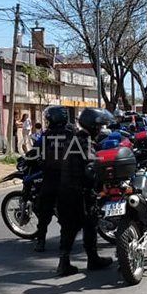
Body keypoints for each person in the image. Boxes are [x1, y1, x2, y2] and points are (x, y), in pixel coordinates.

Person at [53, 107, 115, 276]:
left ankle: (63, 263)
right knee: (90, 224)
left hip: (65, 190)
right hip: (81, 193)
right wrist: (103, 174)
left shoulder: (73, 139)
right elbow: (90, 166)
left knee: (68, 228)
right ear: (94, 126)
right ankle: (93, 259)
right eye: (100, 126)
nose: (101, 130)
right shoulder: (85, 142)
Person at [32, 106, 71, 253]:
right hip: (69, 179)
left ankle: (41, 241)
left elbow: (35, 150)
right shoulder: (71, 132)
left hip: (51, 178)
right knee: (68, 214)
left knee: (44, 211)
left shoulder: (47, 136)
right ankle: (65, 244)